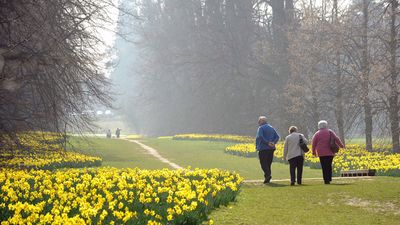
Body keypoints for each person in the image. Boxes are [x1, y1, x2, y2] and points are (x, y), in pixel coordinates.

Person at [311, 120, 344, 184]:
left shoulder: (317, 133)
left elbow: (313, 143)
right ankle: (329, 178)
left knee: (324, 166)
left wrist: (313, 151)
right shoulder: (330, 132)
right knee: (329, 165)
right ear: (326, 125)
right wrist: (341, 145)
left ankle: (326, 179)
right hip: (330, 151)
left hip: (321, 152)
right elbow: (336, 138)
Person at [256, 116, 280, 184]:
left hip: (263, 148)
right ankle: (267, 178)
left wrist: (267, 143)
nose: (258, 122)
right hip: (271, 148)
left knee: (263, 163)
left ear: (262, 121)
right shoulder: (271, 127)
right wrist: (273, 143)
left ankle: (268, 175)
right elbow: (277, 137)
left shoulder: (261, 128)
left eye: (259, 121)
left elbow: (260, 136)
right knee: (268, 163)